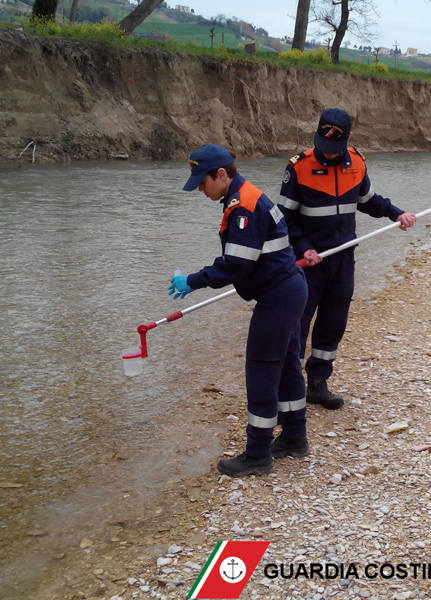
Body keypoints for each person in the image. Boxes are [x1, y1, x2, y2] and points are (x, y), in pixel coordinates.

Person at [168, 144, 310, 477]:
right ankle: (294, 437)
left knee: (261, 371)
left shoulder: (243, 207)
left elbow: (236, 264)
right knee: (288, 366)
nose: (201, 191)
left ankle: (258, 455)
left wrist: (193, 279)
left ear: (221, 174)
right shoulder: (246, 196)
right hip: (290, 289)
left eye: (202, 184)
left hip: (278, 297)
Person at [277, 108, 417, 409]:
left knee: (333, 323)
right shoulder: (298, 167)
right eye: (323, 148)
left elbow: (369, 201)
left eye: (334, 149)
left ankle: (317, 384)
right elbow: (284, 218)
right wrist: (304, 249)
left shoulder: (357, 163)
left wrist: (396, 213)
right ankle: (289, 389)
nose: (327, 155)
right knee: (297, 325)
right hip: (309, 264)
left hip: (343, 261)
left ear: (348, 139)